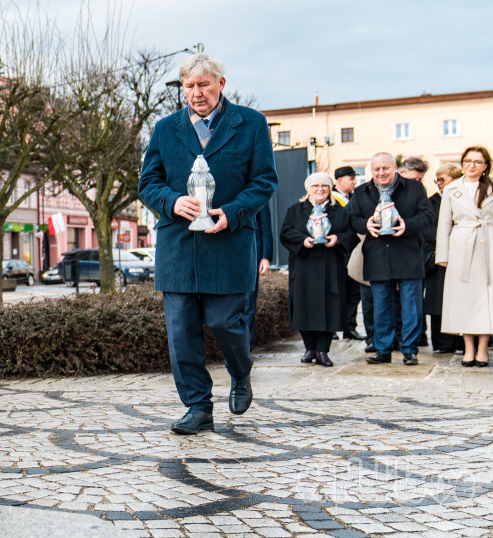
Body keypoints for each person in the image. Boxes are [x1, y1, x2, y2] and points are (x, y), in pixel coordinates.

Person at [139, 53, 278, 435]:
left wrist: (232, 212)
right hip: (178, 247)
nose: (196, 93)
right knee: (181, 332)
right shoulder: (166, 128)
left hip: (229, 244)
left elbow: (264, 182)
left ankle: (241, 370)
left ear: (221, 83)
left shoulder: (250, 124)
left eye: (203, 85)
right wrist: (171, 201)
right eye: (189, 86)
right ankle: (198, 407)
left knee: (225, 323)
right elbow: (148, 182)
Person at [347, 152, 434, 365]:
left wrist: (408, 225)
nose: (381, 173)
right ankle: (383, 350)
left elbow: (427, 216)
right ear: (371, 171)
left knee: (411, 306)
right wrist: (365, 225)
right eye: (376, 169)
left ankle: (409, 350)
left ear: (395, 167)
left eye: (385, 168)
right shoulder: (361, 192)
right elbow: (352, 219)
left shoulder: (414, 188)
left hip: (408, 254)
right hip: (377, 256)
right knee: (381, 306)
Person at [280, 173, 357, 367]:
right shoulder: (295, 210)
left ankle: (323, 351)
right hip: (304, 266)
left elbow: (352, 235)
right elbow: (286, 233)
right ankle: (309, 348)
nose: (320, 189)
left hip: (330, 267)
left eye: (324, 186)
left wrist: (337, 239)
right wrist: (302, 240)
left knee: (328, 308)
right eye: (316, 186)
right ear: (309, 189)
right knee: (304, 307)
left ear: (330, 188)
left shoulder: (340, 211)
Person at [435, 146, 493, 368]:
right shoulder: (452, 189)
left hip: (488, 243)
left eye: (477, 162)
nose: (471, 165)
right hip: (461, 244)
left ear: (485, 166)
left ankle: (482, 348)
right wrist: (443, 254)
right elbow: (444, 224)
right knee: (464, 298)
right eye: (467, 161)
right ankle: (468, 348)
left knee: (487, 299)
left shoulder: (491, 187)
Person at [425, 163, 464, 354]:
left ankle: (462, 342)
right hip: (437, 257)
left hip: (462, 255)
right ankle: (442, 343)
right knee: (438, 301)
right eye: (437, 180)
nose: (439, 184)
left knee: (460, 300)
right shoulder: (430, 202)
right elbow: (426, 228)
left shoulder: (466, 199)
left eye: (443, 180)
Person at [398, 156, 431, 347]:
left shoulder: (420, 192)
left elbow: (426, 218)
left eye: (421, 180)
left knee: (414, 299)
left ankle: (416, 338)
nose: (418, 183)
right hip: (390, 252)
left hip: (415, 251)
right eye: (415, 179)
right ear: (401, 173)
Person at [332, 166, 364, 341]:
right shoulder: (330, 200)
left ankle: (349, 326)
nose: (354, 182)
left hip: (354, 250)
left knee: (353, 291)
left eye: (354, 178)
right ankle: (332, 328)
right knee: (337, 291)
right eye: (350, 179)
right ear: (339, 180)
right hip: (338, 251)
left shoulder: (355, 199)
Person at [244, 203, 273, 350]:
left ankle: (246, 348)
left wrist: (266, 257)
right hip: (226, 256)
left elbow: (266, 226)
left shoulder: (256, 194)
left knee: (249, 303)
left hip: (253, 253)